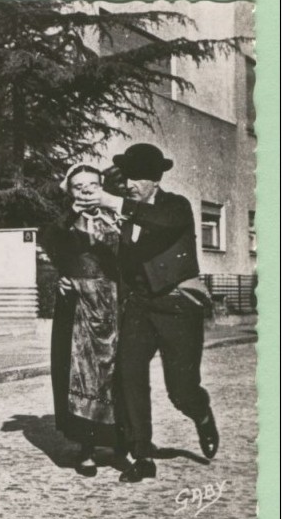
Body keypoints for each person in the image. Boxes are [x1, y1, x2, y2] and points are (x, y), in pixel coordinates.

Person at [77, 143, 219, 483]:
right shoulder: (126, 212)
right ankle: (142, 454)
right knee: (129, 375)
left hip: (178, 307)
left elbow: (159, 222)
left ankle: (200, 414)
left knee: (181, 390)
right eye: (128, 177)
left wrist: (113, 200)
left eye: (139, 178)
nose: (131, 184)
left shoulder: (176, 207)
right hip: (140, 306)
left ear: (155, 180)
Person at [38, 164, 122, 477]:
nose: (85, 191)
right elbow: (49, 241)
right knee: (81, 376)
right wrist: (71, 214)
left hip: (115, 305)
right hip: (78, 308)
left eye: (92, 184)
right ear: (69, 192)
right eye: (78, 186)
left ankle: (121, 445)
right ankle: (86, 448)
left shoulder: (116, 216)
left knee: (118, 375)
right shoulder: (64, 223)